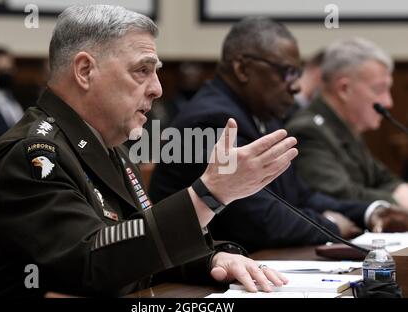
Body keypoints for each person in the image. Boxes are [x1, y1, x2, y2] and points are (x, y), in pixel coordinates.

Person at [0, 5, 298, 297]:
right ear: (85, 71)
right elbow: (93, 263)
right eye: (142, 70)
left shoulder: (106, 145)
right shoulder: (33, 155)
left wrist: (209, 259)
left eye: (156, 72)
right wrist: (208, 194)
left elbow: (131, 242)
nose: (158, 88)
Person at [149, 17, 408, 253]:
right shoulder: (211, 121)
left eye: (297, 73)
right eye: (286, 73)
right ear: (243, 69)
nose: (295, 86)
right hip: (195, 278)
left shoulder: (263, 116)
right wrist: (331, 224)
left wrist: (370, 211)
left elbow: (301, 196)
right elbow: (261, 221)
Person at [286, 38, 408, 210]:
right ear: (344, 89)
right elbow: (340, 195)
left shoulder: (346, 126)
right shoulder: (307, 131)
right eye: (379, 89)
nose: (388, 102)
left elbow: (382, 178)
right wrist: (398, 202)